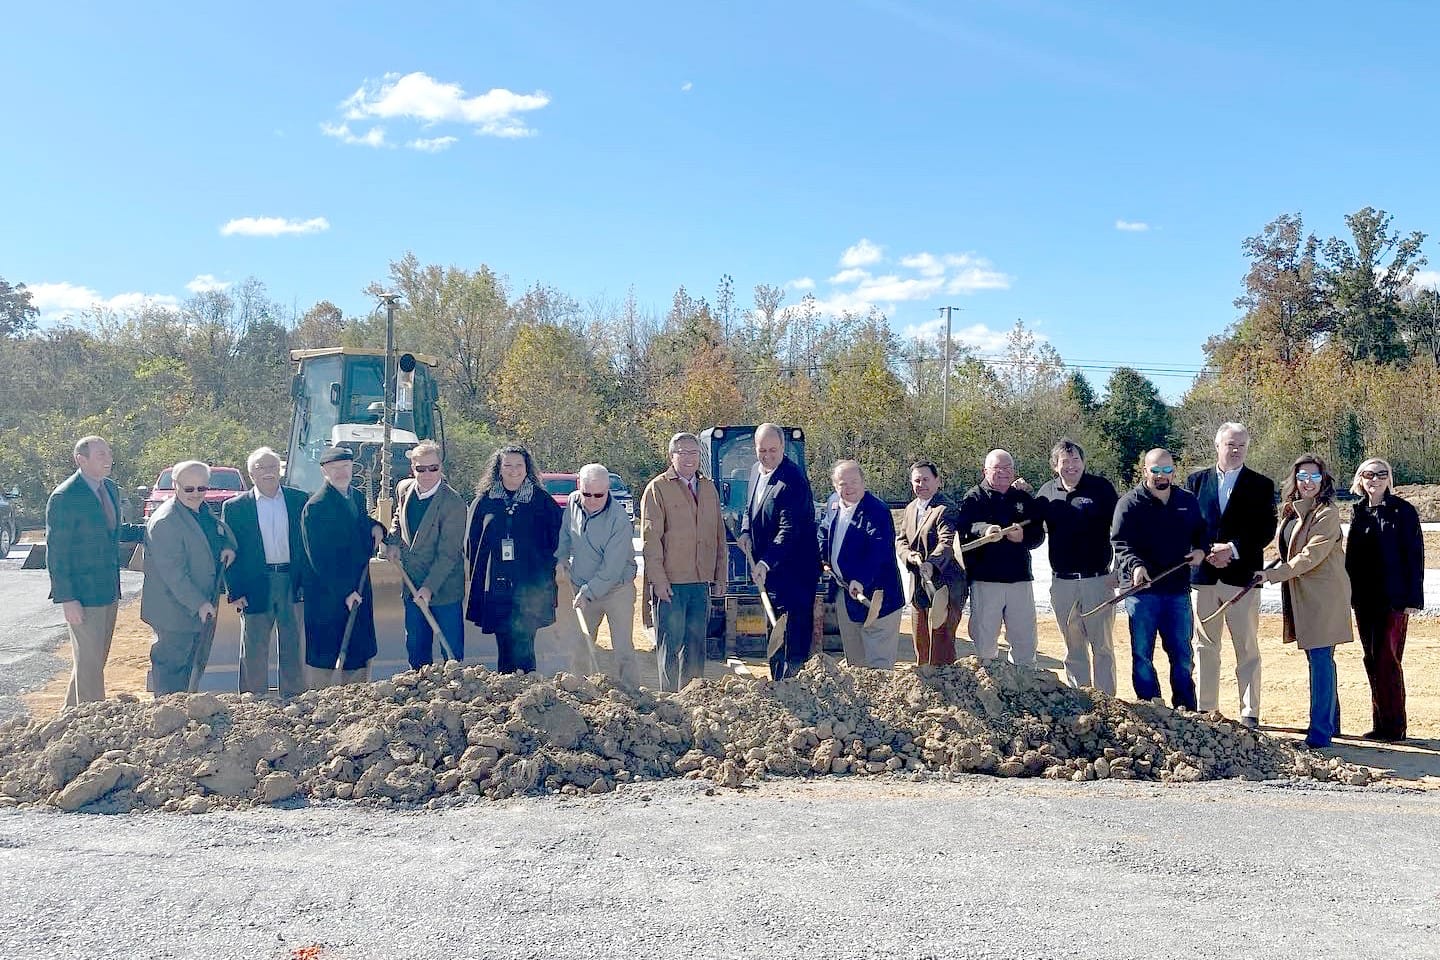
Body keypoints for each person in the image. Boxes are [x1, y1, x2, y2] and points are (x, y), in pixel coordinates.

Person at [1255, 455, 1352, 748]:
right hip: (1303, 595)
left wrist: (1274, 575)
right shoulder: (1291, 511)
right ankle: (1330, 723)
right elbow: (1289, 549)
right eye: (1302, 477)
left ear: (1324, 481)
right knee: (1319, 659)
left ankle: (1320, 734)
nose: (1308, 483)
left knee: (1321, 660)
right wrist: (1270, 568)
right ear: (1294, 480)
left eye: (1314, 477)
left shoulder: (1327, 513)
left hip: (1324, 597)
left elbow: (1311, 555)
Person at [1185, 423, 1277, 728]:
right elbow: (1187, 524)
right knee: (1205, 645)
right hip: (1205, 578)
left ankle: (1249, 712)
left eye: (1241, 445)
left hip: (1242, 579)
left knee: (1247, 647)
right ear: (1217, 445)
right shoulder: (1196, 481)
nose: (1235, 450)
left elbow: (1265, 529)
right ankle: (1205, 708)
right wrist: (1208, 549)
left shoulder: (1261, 485)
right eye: (1230, 444)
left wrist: (1233, 550)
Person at [44, 435, 147, 706]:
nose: (108, 458)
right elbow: (57, 553)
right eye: (100, 454)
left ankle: (70, 718)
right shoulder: (65, 496)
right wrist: (67, 598)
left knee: (92, 662)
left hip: (108, 591)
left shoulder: (110, 489)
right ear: (81, 459)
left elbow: (112, 532)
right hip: (82, 596)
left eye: (109, 452)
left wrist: (149, 530)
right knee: (89, 665)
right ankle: (93, 726)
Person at [1110, 449, 1208, 710]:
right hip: (1142, 592)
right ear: (1145, 471)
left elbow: (1201, 534)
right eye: (1155, 470)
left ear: (1174, 471)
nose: (1161, 476)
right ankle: (1150, 706)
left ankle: (1186, 708)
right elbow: (1120, 542)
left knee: (1183, 655)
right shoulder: (1129, 503)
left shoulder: (1186, 500)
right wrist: (1136, 566)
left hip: (1177, 590)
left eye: (1166, 470)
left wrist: (1201, 550)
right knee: (1142, 654)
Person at [140, 461, 237, 696]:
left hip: (200, 608)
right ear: (175, 486)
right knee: (172, 674)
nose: (196, 494)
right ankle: (168, 721)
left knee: (192, 671)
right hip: (174, 612)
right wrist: (199, 604)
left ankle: (184, 718)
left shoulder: (201, 511)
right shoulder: (166, 521)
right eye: (189, 489)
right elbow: (174, 575)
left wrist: (227, 547)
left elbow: (219, 533)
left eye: (201, 489)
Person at [640, 432, 728, 692]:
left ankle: (692, 697)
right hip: (671, 585)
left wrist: (720, 577)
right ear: (671, 456)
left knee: (696, 646)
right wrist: (658, 580)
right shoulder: (658, 488)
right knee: (670, 646)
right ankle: (669, 701)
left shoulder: (708, 488)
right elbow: (650, 540)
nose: (689, 458)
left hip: (700, 582)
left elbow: (718, 536)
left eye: (694, 453)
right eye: (683, 452)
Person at [1345, 456, 1423, 742]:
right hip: (1364, 599)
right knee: (1372, 659)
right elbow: (1351, 558)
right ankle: (1380, 723)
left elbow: (1415, 557)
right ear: (1360, 480)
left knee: (1388, 660)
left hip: (1394, 599)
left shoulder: (1403, 511)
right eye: (1368, 474)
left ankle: (1394, 726)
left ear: (1389, 479)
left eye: (1380, 474)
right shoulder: (1359, 512)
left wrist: (1413, 598)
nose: (1374, 479)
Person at [465, 445, 562, 674]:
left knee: (525, 642)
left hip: (530, 586)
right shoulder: (484, 501)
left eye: (519, 465)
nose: (513, 470)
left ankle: (529, 693)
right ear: (499, 468)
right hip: (496, 584)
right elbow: (471, 540)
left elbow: (557, 539)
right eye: (507, 465)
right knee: (504, 642)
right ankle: (506, 692)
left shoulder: (542, 501)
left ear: (527, 468)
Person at [221, 446, 309, 697]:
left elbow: (307, 544)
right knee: (254, 645)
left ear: (279, 470)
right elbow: (229, 551)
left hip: (291, 580)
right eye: (261, 468)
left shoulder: (298, 500)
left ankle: (294, 697)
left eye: (272, 467)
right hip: (255, 584)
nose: (268, 472)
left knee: (293, 642)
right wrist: (234, 591)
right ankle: (253, 700)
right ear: (251, 474)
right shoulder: (236, 507)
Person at [1036, 439, 1120, 694]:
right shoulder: (1046, 493)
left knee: (1102, 646)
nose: (1071, 466)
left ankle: (1108, 702)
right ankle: (1079, 696)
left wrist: (1119, 568)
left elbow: (1120, 531)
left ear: (1083, 462)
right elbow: (1032, 532)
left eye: (1075, 460)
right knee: (1073, 646)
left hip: (1099, 580)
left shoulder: (1101, 488)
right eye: (1065, 461)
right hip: (1062, 582)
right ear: (1055, 466)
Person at [739, 423, 819, 680]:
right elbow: (749, 509)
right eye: (762, 450)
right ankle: (778, 683)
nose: (767, 456)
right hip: (771, 572)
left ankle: (795, 685)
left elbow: (789, 530)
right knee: (774, 629)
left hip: (796, 573)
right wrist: (745, 532)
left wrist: (764, 562)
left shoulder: (793, 480)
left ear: (783, 448)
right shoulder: (755, 471)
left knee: (793, 633)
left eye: (773, 450)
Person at [300, 447, 385, 688]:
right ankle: (323, 704)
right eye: (334, 469)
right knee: (327, 655)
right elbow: (320, 559)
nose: (340, 473)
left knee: (358, 653)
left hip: (359, 586)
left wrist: (377, 527)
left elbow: (359, 525)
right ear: (323, 471)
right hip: (330, 596)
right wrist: (345, 592)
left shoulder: (355, 497)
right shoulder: (316, 507)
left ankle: (357, 701)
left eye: (345, 467)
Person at [958, 449, 1046, 665]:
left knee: (1024, 640)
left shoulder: (1022, 498)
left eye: (1008, 468)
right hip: (986, 580)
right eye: (998, 468)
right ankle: (989, 687)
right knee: (985, 641)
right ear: (985, 470)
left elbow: (1037, 535)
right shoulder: (974, 497)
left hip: (1020, 579)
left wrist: (1023, 536)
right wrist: (986, 530)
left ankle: (1025, 685)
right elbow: (966, 527)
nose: (1004, 473)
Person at [386, 441, 467, 671]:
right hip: (411, 584)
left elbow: (448, 554)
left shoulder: (453, 503)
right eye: (421, 469)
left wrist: (429, 588)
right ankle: (419, 696)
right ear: (412, 468)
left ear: (441, 467)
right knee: (416, 648)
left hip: (444, 590)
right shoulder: (404, 489)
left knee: (451, 654)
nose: (427, 474)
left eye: (433, 468)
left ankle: (455, 695)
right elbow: (397, 518)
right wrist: (392, 542)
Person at [557, 462, 639, 683]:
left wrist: (587, 592)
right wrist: (562, 557)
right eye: (587, 494)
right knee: (580, 646)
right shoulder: (573, 501)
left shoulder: (619, 520)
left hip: (616, 589)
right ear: (578, 487)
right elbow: (566, 532)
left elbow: (611, 569)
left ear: (608, 491)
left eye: (599, 495)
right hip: (583, 584)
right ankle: (579, 691)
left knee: (623, 650)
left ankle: (632, 696)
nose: (592, 500)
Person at [819, 460, 904, 668]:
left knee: (879, 664)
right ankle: (860, 700)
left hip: (877, 596)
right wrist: (822, 558)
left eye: (854, 482)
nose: (849, 488)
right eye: (842, 484)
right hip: (846, 594)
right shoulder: (833, 503)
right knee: (855, 662)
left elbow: (879, 550)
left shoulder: (877, 511)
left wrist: (862, 579)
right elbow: (823, 533)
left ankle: (881, 700)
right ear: (834, 485)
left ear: (863, 482)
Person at [896, 460, 967, 666]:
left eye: (926, 479)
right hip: (919, 587)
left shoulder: (946, 508)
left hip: (944, 586)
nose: (921, 484)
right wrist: (909, 556)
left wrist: (930, 564)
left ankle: (945, 689)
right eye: (917, 480)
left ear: (937, 481)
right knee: (921, 644)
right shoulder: (910, 508)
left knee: (941, 646)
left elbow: (946, 543)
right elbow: (901, 541)